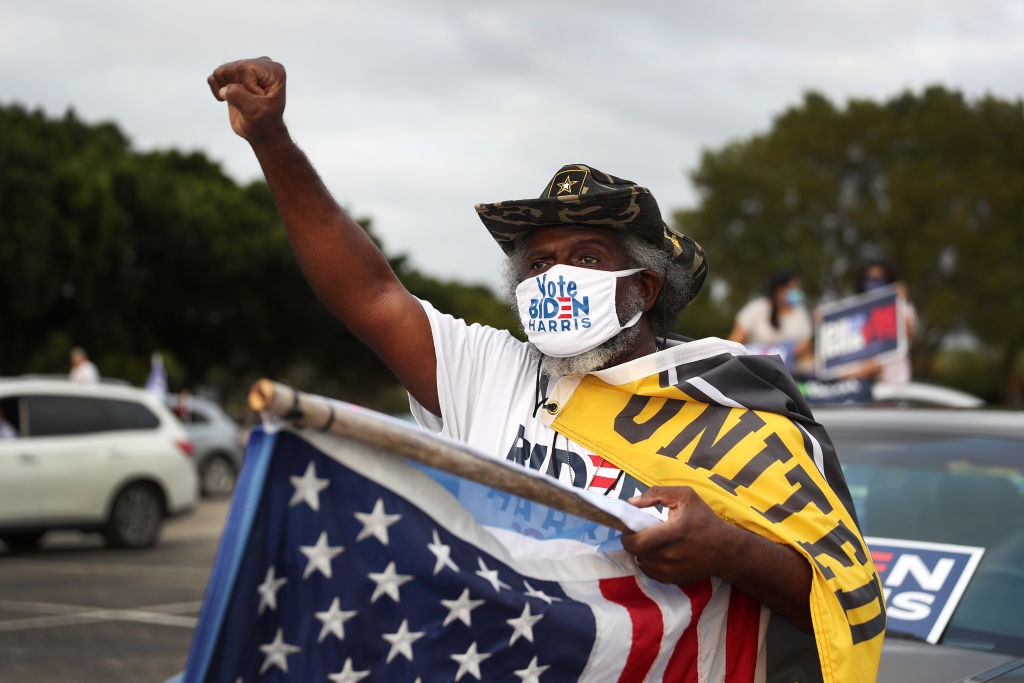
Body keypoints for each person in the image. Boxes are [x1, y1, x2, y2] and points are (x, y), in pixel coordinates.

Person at [208, 57, 883, 681]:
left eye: (586, 257)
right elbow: (372, 293)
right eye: (538, 261)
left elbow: (836, 596)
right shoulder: (489, 369)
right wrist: (273, 141)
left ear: (643, 288)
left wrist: (729, 549)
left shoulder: (729, 407)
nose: (556, 274)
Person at [842, 259, 918, 384]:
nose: (874, 285)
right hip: (861, 387)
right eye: (870, 279)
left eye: (879, 279)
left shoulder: (902, 305)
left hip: (895, 385)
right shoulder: (855, 312)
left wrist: (898, 302)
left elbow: (909, 333)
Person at [728, 271, 814, 374]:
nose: (796, 292)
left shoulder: (800, 313)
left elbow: (805, 345)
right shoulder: (756, 309)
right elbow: (734, 341)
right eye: (792, 288)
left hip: (790, 372)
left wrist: (780, 353)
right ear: (779, 291)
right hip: (753, 370)